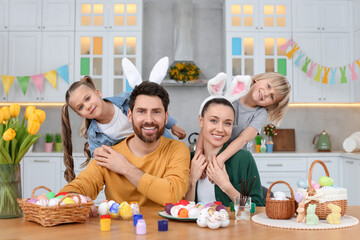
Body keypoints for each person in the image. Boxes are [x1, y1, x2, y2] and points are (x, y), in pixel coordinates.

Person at [60, 82, 190, 206]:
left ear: (166, 118)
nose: (149, 120)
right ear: (130, 115)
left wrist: (125, 167)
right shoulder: (108, 154)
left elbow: (172, 194)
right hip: (119, 229)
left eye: (156, 112)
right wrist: (60, 200)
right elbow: (83, 183)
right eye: (141, 111)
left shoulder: (177, 149)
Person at [196, 72, 291, 168]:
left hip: (236, 159)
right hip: (214, 152)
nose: (266, 93)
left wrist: (219, 160)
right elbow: (205, 127)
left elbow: (243, 139)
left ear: (271, 104)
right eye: (268, 86)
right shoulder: (231, 97)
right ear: (258, 79)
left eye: (272, 96)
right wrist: (198, 155)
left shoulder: (260, 114)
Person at [185, 97, 264, 206]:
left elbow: (257, 208)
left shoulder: (243, 159)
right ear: (201, 121)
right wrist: (191, 181)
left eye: (227, 123)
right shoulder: (188, 159)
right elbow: (183, 211)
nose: (220, 129)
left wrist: (226, 187)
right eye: (213, 121)